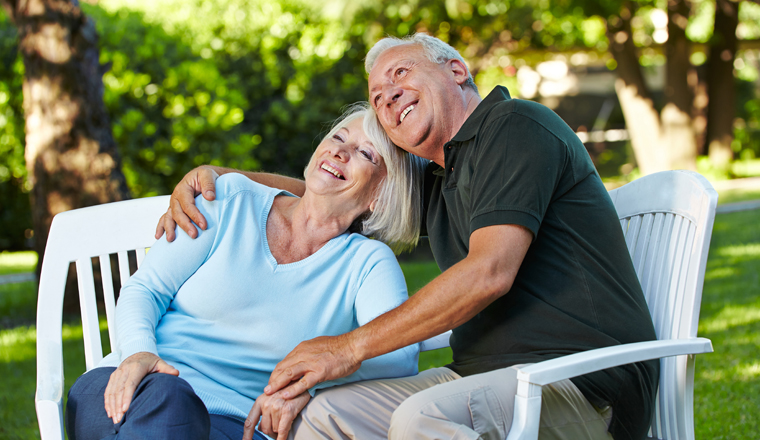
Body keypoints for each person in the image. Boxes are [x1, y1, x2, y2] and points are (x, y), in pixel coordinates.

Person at [160, 34, 659, 440]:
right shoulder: (441, 178)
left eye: (400, 73)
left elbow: (489, 273)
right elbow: (338, 190)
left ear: (457, 70)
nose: (387, 95)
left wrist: (345, 348)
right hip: (480, 381)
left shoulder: (516, 128)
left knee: (420, 420)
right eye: (377, 97)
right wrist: (219, 177)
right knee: (323, 415)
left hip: (581, 383)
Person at [65, 104, 426, 440]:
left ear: (381, 193)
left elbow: (399, 355)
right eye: (338, 137)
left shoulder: (367, 264)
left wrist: (309, 383)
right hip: (132, 384)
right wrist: (138, 352)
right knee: (169, 399)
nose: (339, 152)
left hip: (233, 422)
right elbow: (146, 288)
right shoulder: (229, 200)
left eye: (365, 153)